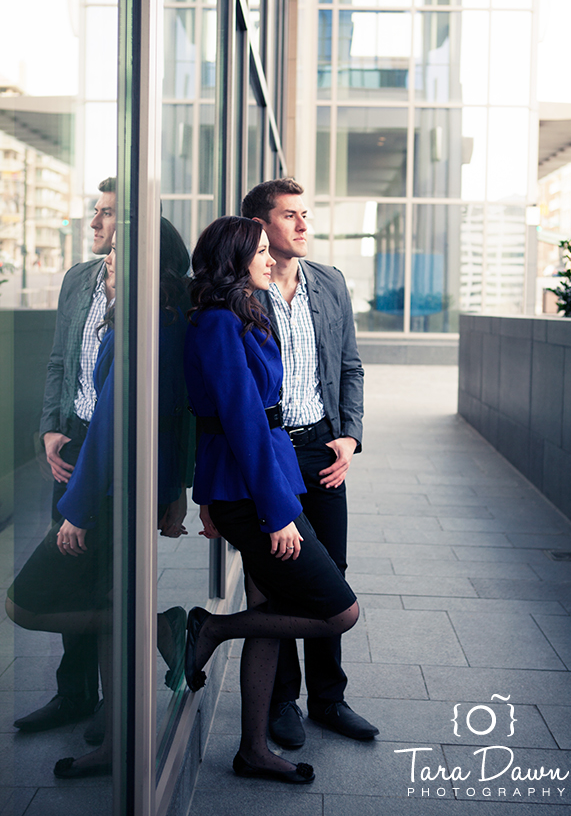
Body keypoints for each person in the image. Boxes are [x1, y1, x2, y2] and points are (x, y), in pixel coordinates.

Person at [6, 220, 191, 778]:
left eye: (115, 262)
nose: (105, 267)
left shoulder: (139, 328)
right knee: (113, 604)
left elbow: (115, 427)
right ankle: (116, 742)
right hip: (120, 482)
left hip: (110, 490)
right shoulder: (163, 321)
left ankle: (157, 629)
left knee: (24, 602)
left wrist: (76, 511)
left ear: (148, 271)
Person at [184, 216, 360, 784]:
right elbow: (239, 423)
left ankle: (253, 750)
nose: (269, 258)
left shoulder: (243, 314)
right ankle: (209, 630)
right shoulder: (216, 323)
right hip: (251, 488)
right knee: (340, 613)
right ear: (235, 261)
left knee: (266, 615)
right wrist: (277, 511)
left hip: (266, 478)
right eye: (260, 251)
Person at [240, 178, 378, 747]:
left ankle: (329, 698)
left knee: (331, 575)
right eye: (290, 215)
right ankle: (282, 703)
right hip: (269, 453)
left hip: (321, 449)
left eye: (306, 215)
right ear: (260, 227)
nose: (303, 225)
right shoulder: (236, 289)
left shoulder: (329, 282)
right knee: (280, 578)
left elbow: (350, 366)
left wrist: (348, 438)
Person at [13, 178, 116, 735]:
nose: (94, 224)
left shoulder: (156, 286)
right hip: (74, 441)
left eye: (106, 215)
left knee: (110, 573)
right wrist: (51, 429)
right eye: (95, 212)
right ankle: (74, 694)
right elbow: (58, 360)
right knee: (70, 563)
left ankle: (115, 703)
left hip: (119, 445)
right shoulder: (80, 278)